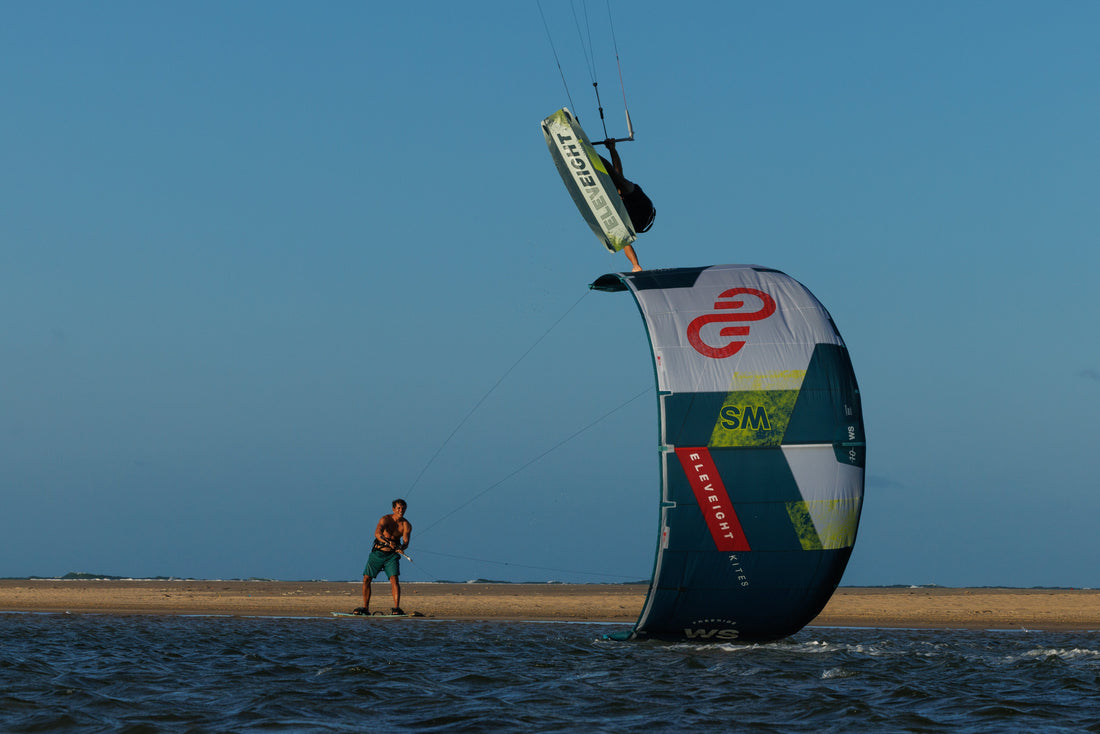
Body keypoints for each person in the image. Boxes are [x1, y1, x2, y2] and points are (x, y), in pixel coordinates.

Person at [599, 139, 655, 272]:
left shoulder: (617, 219)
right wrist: (612, 149)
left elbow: (617, 174)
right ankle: (591, 153)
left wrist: (635, 265)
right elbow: (618, 173)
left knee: (617, 180)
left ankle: (591, 153)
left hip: (642, 208)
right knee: (617, 179)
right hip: (641, 213)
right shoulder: (622, 220)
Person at [355, 498, 412, 616]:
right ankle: (365, 608)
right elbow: (377, 533)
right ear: (393, 509)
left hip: (391, 556)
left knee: (394, 579)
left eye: (403, 508)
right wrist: (387, 542)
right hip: (378, 553)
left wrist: (402, 547)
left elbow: (406, 541)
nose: (401, 510)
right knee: (366, 578)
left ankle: (396, 608)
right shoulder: (385, 519)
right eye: (399, 508)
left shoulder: (406, 525)